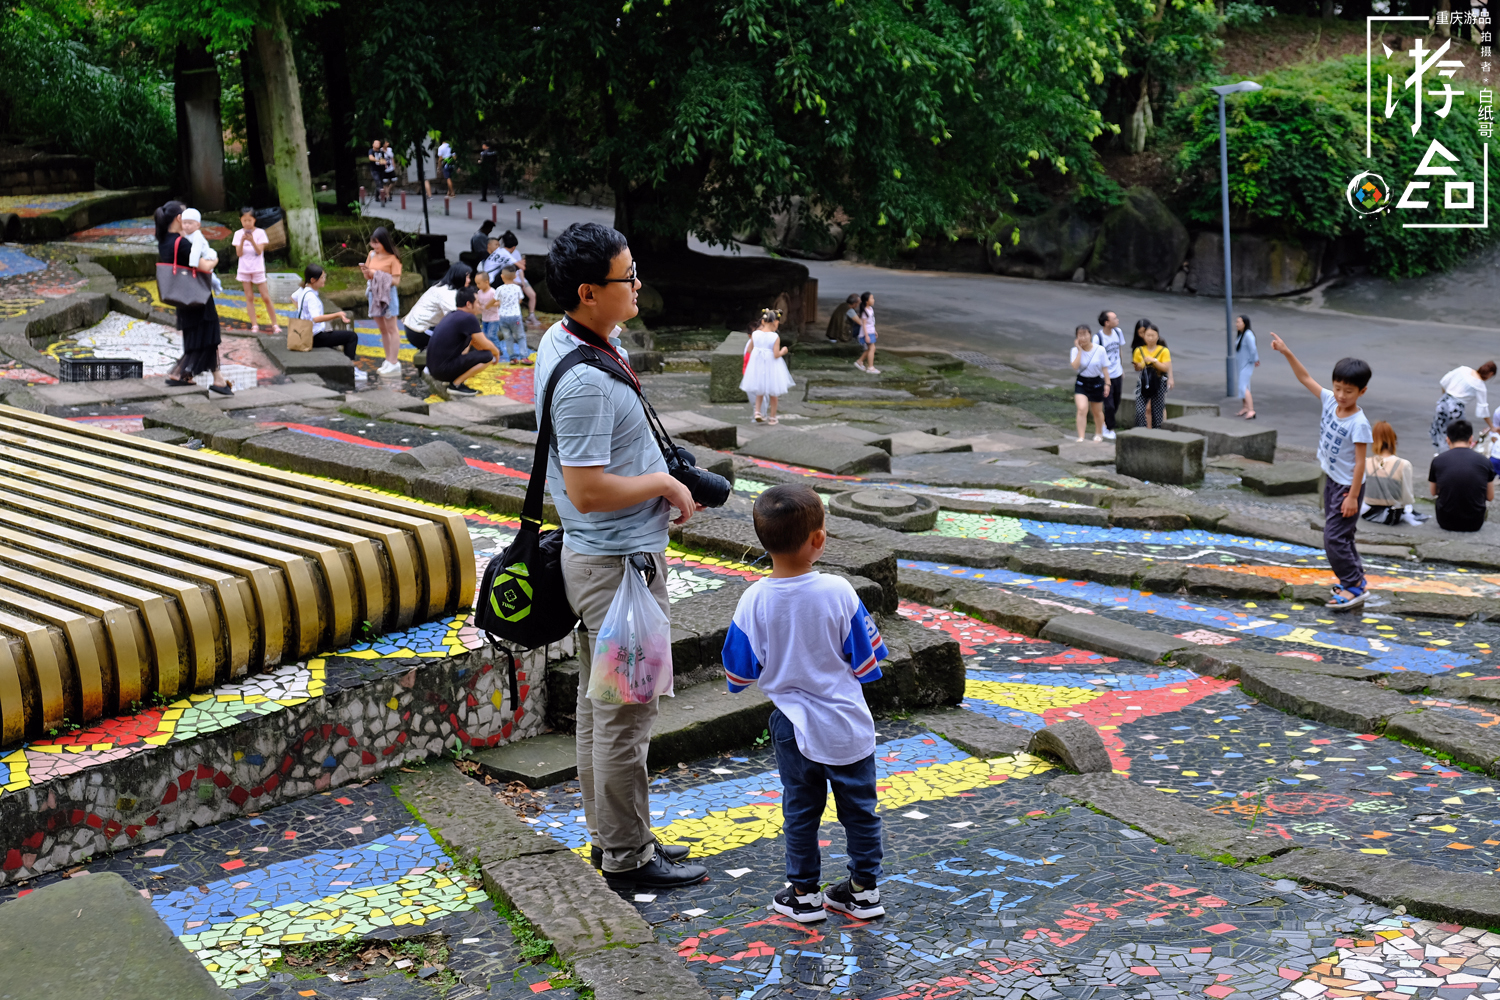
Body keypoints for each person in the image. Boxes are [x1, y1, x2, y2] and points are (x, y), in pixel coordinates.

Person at [535, 221, 707, 890]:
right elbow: (586, 487)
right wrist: (664, 483)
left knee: (599, 708)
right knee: (625, 719)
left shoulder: (567, 337)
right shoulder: (583, 381)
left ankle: (616, 837)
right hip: (618, 570)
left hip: (605, 561)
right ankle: (628, 858)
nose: (638, 286)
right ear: (587, 292)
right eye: (625, 277)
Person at [722, 483, 887, 923]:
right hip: (846, 722)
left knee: (800, 809)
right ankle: (863, 891)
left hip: (792, 724)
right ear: (819, 538)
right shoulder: (838, 591)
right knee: (860, 810)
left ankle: (804, 894)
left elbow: (739, 672)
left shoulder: (752, 600)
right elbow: (868, 659)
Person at [1271, 333, 1373, 610]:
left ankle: (1354, 586)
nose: (1341, 395)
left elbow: (1362, 463)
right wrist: (1286, 351)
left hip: (1347, 486)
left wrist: (1352, 497)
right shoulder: (1330, 401)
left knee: (1333, 538)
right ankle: (1356, 581)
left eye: (1348, 391)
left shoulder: (1359, 423)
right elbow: (1305, 378)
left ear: (1362, 391)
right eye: (1338, 388)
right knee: (1342, 535)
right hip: (1332, 479)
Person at [156, 200, 232, 395]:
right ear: (179, 218)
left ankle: (217, 379)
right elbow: (204, 266)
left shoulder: (165, 241)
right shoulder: (180, 243)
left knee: (201, 337)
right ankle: (182, 373)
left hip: (183, 297)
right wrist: (215, 259)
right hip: (197, 296)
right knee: (208, 335)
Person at [424, 286, 498, 397]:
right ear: (469, 304)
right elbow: (485, 344)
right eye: (477, 302)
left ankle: (452, 380)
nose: (479, 306)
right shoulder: (468, 318)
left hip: (434, 369)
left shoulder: (452, 315)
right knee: (488, 356)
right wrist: (496, 353)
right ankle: (456, 384)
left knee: (474, 346)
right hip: (443, 370)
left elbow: (475, 342)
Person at [1429, 419, 1496, 532]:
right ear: (1471, 439)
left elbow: (1433, 492)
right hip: (1474, 523)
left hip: (1445, 521)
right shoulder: (1485, 461)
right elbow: (1490, 496)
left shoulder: (1438, 460)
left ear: (1448, 440)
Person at [404, 262, 472, 362]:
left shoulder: (440, 285)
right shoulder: (448, 294)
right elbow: (456, 319)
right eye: (467, 277)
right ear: (459, 277)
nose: (469, 280)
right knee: (465, 336)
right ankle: (456, 363)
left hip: (415, 327)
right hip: (419, 332)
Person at [1361, 420, 1424, 526]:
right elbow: (1407, 497)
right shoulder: (1403, 464)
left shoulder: (1365, 462)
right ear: (1394, 440)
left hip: (1367, 513)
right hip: (1391, 515)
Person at [359, 226, 403, 377]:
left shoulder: (393, 258)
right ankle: (388, 359)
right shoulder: (371, 255)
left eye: (377, 243)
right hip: (374, 293)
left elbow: (396, 281)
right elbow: (368, 276)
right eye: (373, 243)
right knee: (382, 329)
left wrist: (376, 274)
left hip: (387, 295)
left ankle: (394, 361)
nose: (374, 247)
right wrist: (367, 273)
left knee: (392, 328)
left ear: (384, 242)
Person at [740, 307, 795, 424]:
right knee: (774, 394)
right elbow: (776, 354)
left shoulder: (755, 334)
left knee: (759, 391)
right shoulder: (775, 337)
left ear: (763, 321)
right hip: (772, 367)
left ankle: (757, 412)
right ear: (776, 323)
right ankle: (772, 418)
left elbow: (749, 350)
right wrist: (783, 351)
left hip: (758, 365)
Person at [1431, 361, 1497, 453]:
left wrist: (1445, 398)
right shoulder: (1480, 386)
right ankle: (1453, 454)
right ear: (1490, 374)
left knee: (1441, 432)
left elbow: (1444, 381)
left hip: (1443, 403)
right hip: (1455, 409)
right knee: (1458, 435)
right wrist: (1491, 426)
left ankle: (1441, 453)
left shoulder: (1463, 369)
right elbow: (1483, 410)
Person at [233, 206, 279, 335]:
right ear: (241, 220)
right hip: (244, 269)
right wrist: (242, 241)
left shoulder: (260, 233)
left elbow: (259, 251)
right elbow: (239, 253)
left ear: (254, 220)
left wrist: (252, 240)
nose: (247, 223)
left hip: (258, 269)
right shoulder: (238, 234)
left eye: (249, 220)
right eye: (244, 220)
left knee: (265, 297)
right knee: (249, 297)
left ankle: (274, 323)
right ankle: (254, 325)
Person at [1070, 324, 1109, 442]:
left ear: (1090, 335)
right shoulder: (1074, 351)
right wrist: (1079, 350)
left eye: (1085, 334)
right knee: (1082, 409)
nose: (1083, 337)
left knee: (1097, 411)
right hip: (1082, 381)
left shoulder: (1100, 350)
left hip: (1096, 381)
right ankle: (1081, 436)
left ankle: (1099, 433)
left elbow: (1105, 368)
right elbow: (1075, 366)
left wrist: (1107, 384)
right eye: (1080, 335)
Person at [1132, 322, 1172, 428]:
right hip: (1144, 382)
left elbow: (1165, 367)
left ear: (1157, 336)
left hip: (1158, 382)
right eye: (1148, 335)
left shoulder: (1163, 351)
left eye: (1152, 335)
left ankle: (1157, 431)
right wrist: (1138, 365)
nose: (1150, 338)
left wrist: (1153, 361)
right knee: (1140, 410)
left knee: (1157, 412)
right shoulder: (1139, 350)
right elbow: (1138, 367)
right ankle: (1141, 429)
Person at [1094, 309, 1126, 441]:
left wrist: (1121, 367)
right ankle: (1108, 428)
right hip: (1104, 376)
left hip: (1117, 373)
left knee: (1117, 401)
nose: (1117, 320)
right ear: (1107, 322)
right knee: (1109, 404)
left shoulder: (1118, 332)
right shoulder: (1098, 338)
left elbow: (1119, 350)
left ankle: (1107, 424)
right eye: (1114, 318)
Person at [498, 230, 540, 326]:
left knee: (532, 295)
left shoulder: (516, 252)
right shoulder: (501, 254)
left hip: (519, 279)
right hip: (509, 280)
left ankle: (531, 315)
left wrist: (522, 282)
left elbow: (520, 269)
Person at [179, 208, 223, 294]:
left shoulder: (197, 235)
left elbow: (196, 250)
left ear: (198, 225)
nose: (187, 225)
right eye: (184, 223)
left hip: (206, 256)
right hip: (198, 258)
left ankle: (217, 285)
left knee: (209, 275)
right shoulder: (185, 234)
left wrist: (193, 265)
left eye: (190, 223)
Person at [495, 264, 528, 364]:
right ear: (515, 276)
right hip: (515, 317)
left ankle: (512, 358)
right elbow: (520, 300)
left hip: (503, 317)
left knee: (508, 338)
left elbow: (496, 302)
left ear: (502, 276)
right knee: (520, 336)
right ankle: (524, 357)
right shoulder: (517, 288)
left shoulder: (499, 289)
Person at [1234, 315, 1260, 419]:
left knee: (1243, 386)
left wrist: (1255, 359)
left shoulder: (1248, 335)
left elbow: (1253, 349)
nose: (1237, 324)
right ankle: (1245, 407)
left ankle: (1251, 410)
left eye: (1239, 322)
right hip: (1241, 364)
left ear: (1245, 323)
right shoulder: (1241, 335)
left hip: (1247, 364)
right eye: (1236, 322)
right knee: (1244, 385)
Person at [854, 292, 878, 374]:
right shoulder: (865, 312)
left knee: (871, 349)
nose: (873, 300)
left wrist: (874, 330)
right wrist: (866, 335)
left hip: (871, 331)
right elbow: (863, 325)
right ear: (866, 301)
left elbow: (871, 322)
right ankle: (870, 367)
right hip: (867, 333)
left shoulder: (870, 309)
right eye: (871, 298)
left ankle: (860, 361)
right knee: (872, 348)